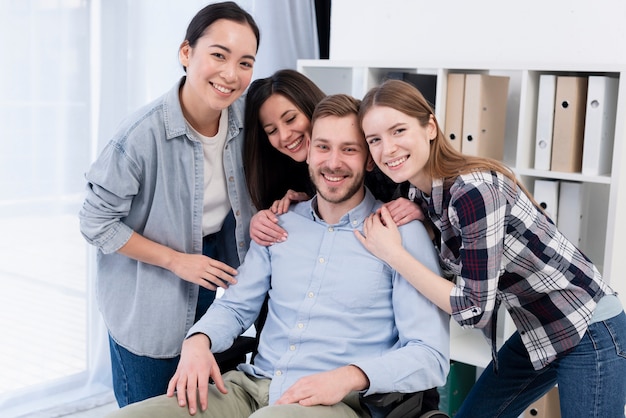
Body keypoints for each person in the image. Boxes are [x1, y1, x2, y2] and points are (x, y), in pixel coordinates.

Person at [106, 94, 450, 418]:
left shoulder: (400, 232)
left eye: (349, 149)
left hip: (336, 402)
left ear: (370, 160)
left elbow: (430, 356)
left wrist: (349, 377)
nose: (333, 162)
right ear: (309, 152)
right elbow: (236, 305)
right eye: (323, 147)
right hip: (250, 388)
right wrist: (199, 339)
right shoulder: (278, 224)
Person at [355, 79, 626, 418]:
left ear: (430, 127)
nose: (387, 149)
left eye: (398, 130)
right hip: (536, 328)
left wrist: (394, 254)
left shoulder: (474, 191)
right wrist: (424, 217)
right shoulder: (419, 193)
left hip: (587, 327)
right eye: (374, 140)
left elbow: (473, 310)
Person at [78, 2, 260, 407]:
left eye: (245, 62)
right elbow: (94, 223)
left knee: (199, 404)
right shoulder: (140, 136)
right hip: (148, 286)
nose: (231, 74)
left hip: (214, 269)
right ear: (185, 53)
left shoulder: (248, 117)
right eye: (218, 54)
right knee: (152, 405)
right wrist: (178, 261)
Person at [243, 69, 423, 246]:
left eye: (290, 119)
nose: (284, 136)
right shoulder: (284, 176)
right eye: (272, 131)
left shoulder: (378, 153)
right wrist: (262, 221)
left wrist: (420, 211)